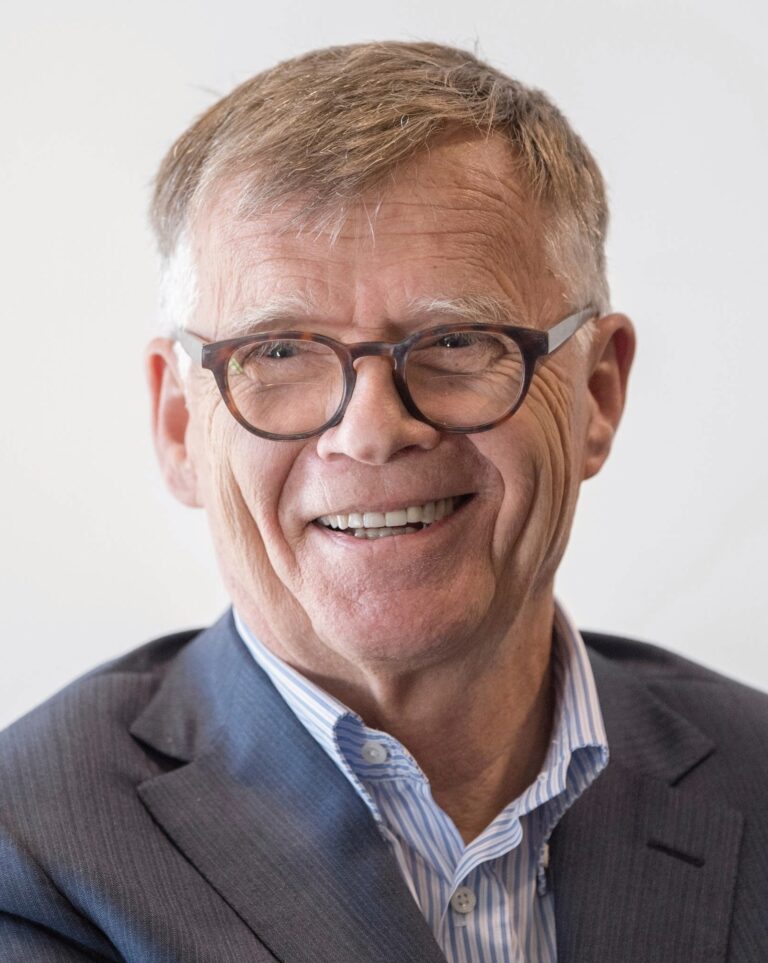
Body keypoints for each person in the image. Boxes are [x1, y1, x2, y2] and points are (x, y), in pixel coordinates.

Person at [0, 40, 765, 963]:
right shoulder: (30, 853)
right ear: (179, 424)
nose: (370, 432)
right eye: (278, 351)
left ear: (597, 393)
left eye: (458, 340)